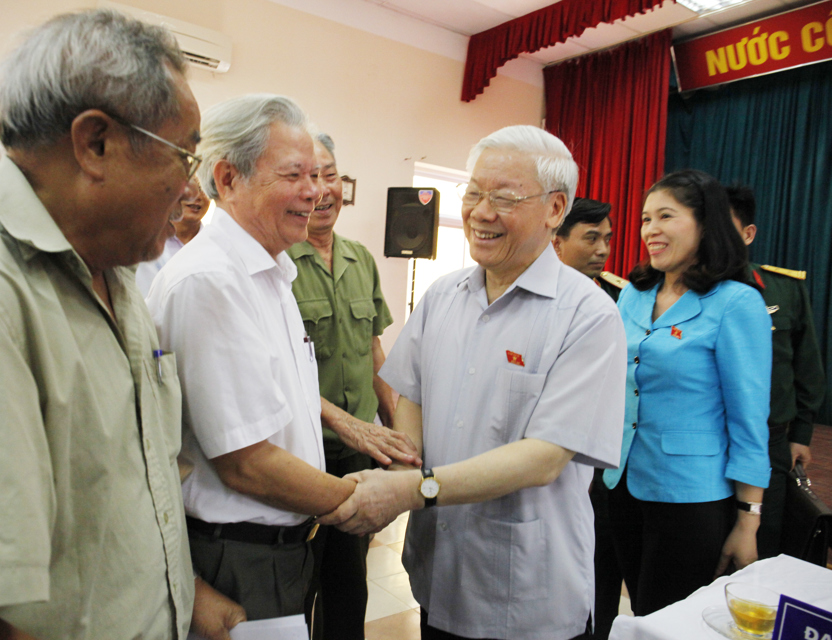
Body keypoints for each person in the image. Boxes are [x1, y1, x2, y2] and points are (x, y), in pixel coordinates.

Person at [0, 9, 244, 639]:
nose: (191, 189)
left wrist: (186, 597)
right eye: (184, 156)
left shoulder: (116, 274)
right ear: (94, 143)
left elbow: (115, 501)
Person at [320, 125, 627, 640]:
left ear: (555, 209)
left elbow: (544, 458)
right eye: (474, 192)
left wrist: (413, 489)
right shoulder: (444, 295)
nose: (481, 212)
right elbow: (411, 395)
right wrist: (400, 467)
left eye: (503, 198)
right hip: (439, 571)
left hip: (526, 593)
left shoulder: (588, 315)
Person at [145, 94, 416, 622]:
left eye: (318, 175)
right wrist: (355, 498)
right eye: (295, 175)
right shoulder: (211, 281)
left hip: (287, 540)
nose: (315, 193)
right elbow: (245, 462)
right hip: (240, 554)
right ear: (228, 178)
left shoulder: (269, 271)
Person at [603, 170, 772, 616]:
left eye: (665, 216)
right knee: (639, 611)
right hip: (619, 484)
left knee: (672, 619)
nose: (649, 230)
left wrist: (747, 520)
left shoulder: (736, 302)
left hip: (690, 498)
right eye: (644, 219)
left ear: (704, 223)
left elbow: (749, 418)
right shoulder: (634, 294)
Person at [287, 133, 398, 640]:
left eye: (329, 174)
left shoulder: (361, 259)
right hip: (303, 455)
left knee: (350, 586)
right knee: (297, 584)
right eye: (309, 176)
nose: (322, 188)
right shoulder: (279, 264)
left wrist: (396, 433)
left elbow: (374, 353)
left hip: (360, 458)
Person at [728, 184, 826, 558]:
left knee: (764, 539)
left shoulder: (782, 289)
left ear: (749, 234)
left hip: (771, 440)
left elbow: (806, 366)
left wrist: (801, 432)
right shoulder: (686, 290)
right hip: (707, 438)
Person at [552, 195, 625, 640]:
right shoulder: (541, 301)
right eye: (591, 238)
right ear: (557, 240)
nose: (602, 249)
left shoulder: (616, 296)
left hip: (604, 456)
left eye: (608, 239)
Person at [136, 175, 211, 295]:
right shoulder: (147, 241)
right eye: (189, 187)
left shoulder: (216, 244)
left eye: (203, 189)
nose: (197, 196)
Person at [552, 196, 627, 302]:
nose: (604, 251)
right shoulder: (531, 292)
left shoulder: (619, 296)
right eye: (592, 239)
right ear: (557, 245)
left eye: (607, 240)